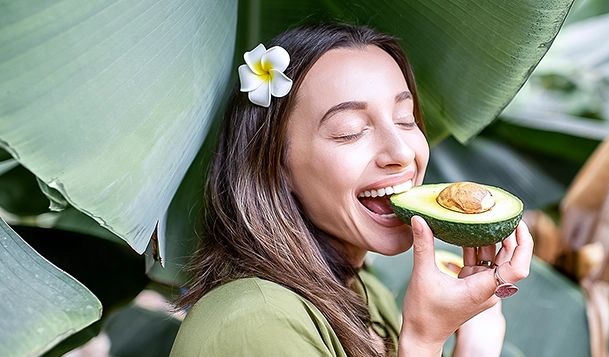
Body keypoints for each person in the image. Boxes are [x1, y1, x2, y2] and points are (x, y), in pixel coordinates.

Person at [170, 23, 533, 357]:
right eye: (350, 130)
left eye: (405, 119)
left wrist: (475, 344)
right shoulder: (252, 321)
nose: (402, 152)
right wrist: (424, 338)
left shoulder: (367, 295)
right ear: (276, 165)